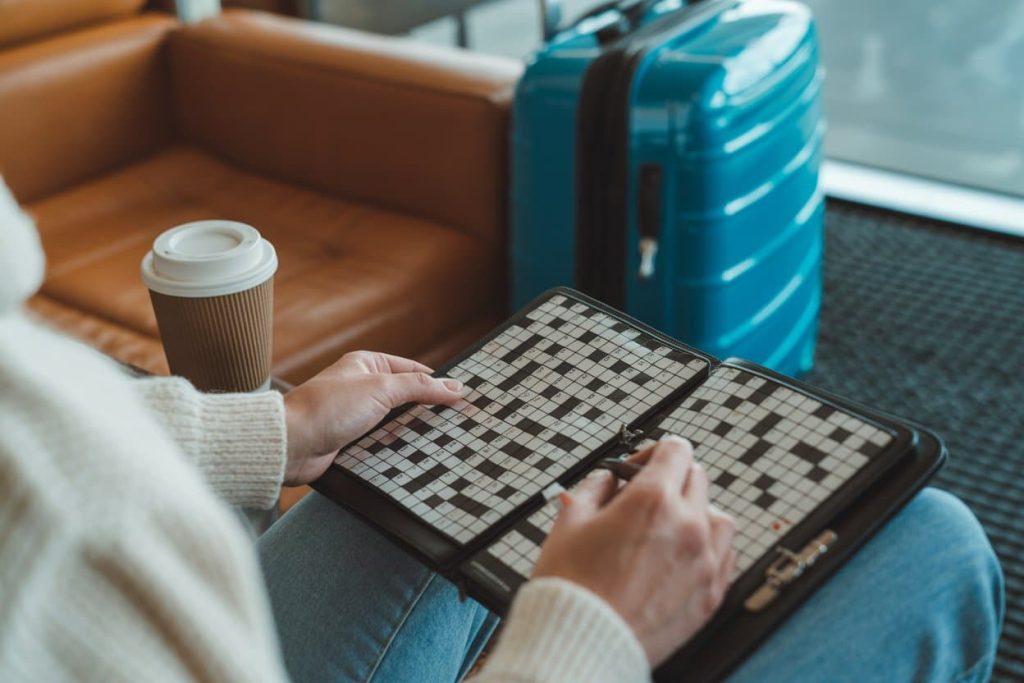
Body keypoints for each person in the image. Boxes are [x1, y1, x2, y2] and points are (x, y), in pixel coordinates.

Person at [0, 176, 1004, 683]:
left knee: (415, 450)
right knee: (934, 545)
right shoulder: (72, 520)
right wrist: (588, 632)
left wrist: (273, 428)